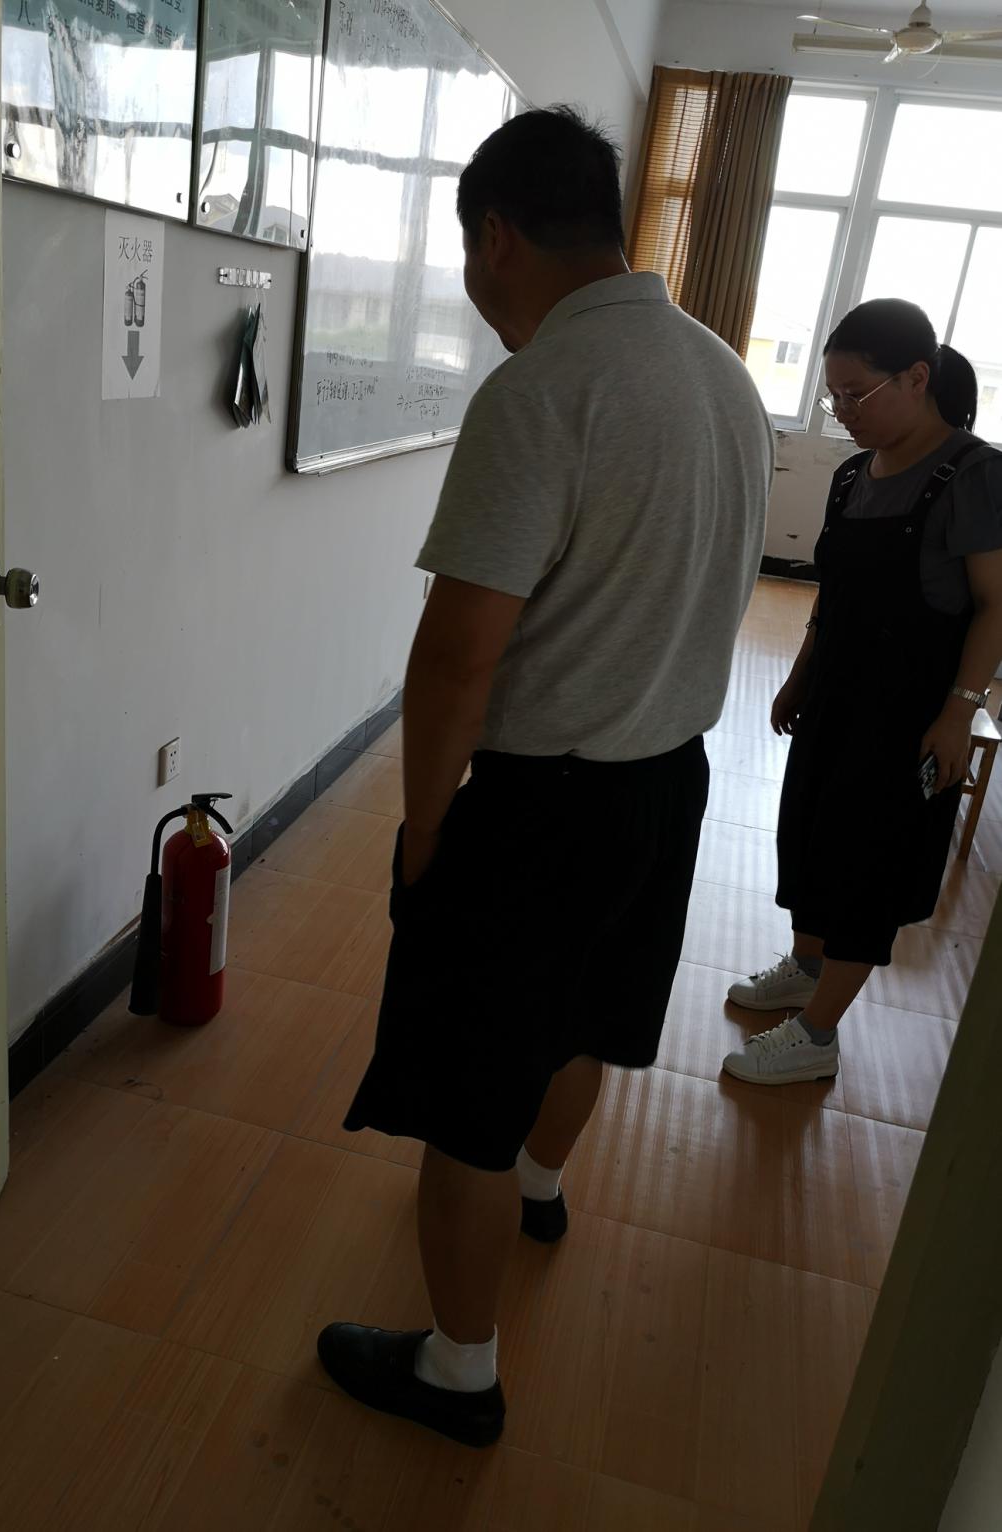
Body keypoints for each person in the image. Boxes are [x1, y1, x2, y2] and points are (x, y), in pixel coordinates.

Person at [316, 106, 772, 1448]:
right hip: (667, 784)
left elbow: (458, 654)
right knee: (587, 1021)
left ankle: (457, 1371)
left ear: (496, 237)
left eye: (469, 252)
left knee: (463, 1093)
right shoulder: (723, 376)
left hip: (539, 809)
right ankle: (538, 1185)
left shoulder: (543, 391)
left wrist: (422, 833)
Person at [723, 298, 1002, 1087]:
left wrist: (958, 712)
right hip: (836, 696)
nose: (841, 411)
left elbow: (995, 605)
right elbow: (834, 593)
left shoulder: (972, 475)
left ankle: (817, 1035)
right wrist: (798, 675)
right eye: (832, 396)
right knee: (811, 833)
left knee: (867, 866)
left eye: (856, 394)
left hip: (910, 713)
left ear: (914, 378)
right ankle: (805, 967)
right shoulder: (852, 473)